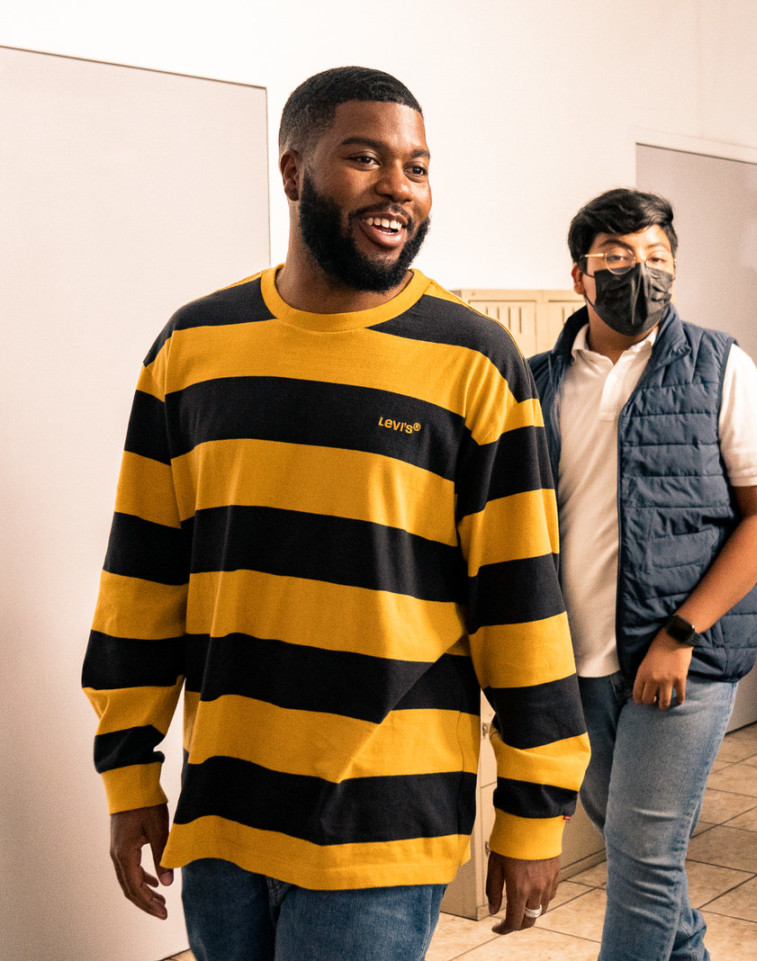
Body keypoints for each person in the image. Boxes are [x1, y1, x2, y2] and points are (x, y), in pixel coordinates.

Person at [80, 67, 590, 960]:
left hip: (384, 820)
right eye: (365, 158)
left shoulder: (474, 360)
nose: (399, 186)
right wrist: (129, 774)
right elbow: (143, 579)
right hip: (225, 806)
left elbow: (521, 602)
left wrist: (534, 806)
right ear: (294, 171)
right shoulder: (193, 347)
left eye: (417, 166)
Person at [529, 188, 757, 961]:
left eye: (656, 257)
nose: (639, 272)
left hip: (681, 656)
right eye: (616, 257)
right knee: (632, 842)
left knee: (642, 859)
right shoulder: (537, 380)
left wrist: (681, 633)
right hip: (576, 661)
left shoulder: (720, 364)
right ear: (579, 275)